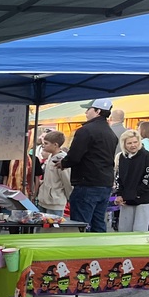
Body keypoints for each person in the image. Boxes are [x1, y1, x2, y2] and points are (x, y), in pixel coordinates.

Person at [58, 98, 118, 232]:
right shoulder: (111, 133)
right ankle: (100, 252)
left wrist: (63, 163)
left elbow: (74, 156)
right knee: (98, 223)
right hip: (105, 183)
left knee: (80, 225)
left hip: (87, 184)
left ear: (97, 111)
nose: (86, 112)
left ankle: (80, 252)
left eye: (88, 109)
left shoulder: (85, 130)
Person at [116, 130, 149, 232]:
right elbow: (119, 177)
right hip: (126, 199)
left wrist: (137, 193)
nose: (133, 145)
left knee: (139, 230)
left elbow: (148, 177)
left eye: (135, 142)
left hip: (143, 199)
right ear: (124, 144)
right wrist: (119, 194)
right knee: (124, 230)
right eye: (129, 143)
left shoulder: (147, 156)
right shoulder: (122, 157)